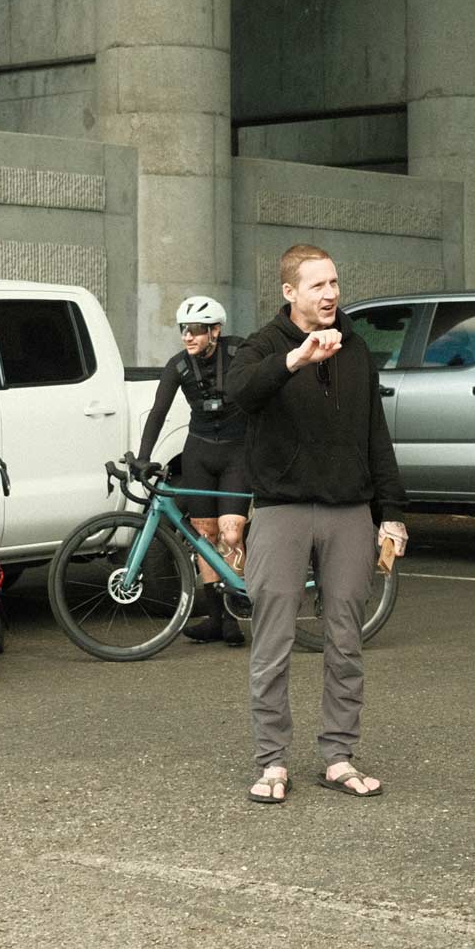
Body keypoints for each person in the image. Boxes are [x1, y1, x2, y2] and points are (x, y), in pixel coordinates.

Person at [225, 244, 409, 806]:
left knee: (346, 641)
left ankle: (338, 755)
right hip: (281, 509)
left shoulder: (355, 349)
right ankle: (271, 760)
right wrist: (296, 361)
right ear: (289, 292)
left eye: (334, 283)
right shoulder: (260, 347)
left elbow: (375, 433)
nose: (330, 294)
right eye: (317, 286)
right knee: (273, 642)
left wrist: (393, 513)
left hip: (349, 510)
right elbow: (240, 395)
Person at [136, 295, 249, 647]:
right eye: (183, 329)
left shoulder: (238, 353)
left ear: (216, 330)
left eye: (196, 330)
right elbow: (158, 411)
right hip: (198, 451)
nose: (188, 336)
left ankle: (233, 615)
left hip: (237, 452)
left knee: (230, 534)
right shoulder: (178, 365)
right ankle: (214, 619)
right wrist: (142, 457)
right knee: (204, 536)